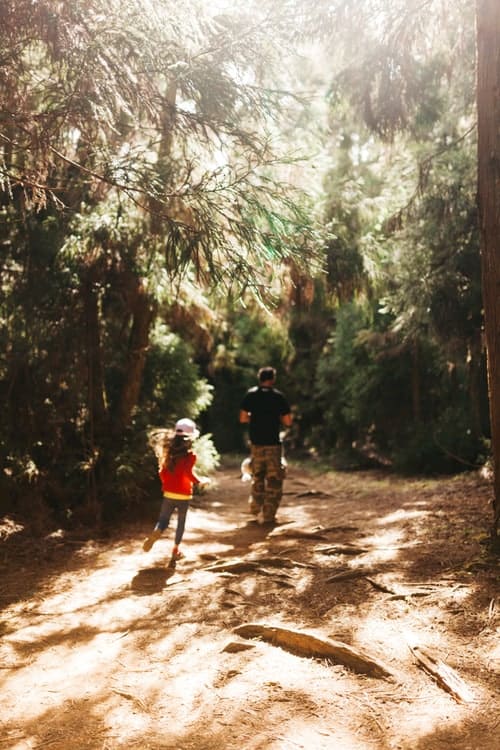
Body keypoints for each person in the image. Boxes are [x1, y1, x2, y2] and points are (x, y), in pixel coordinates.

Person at [143, 418, 207, 561]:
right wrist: (200, 482)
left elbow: (162, 472)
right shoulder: (190, 456)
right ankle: (175, 550)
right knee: (181, 523)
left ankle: (157, 531)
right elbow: (188, 473)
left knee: (163, 520)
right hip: (183, 495)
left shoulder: (168, 454)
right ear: (190, 439)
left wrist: (167, 485)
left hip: (169, 493)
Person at [239, 366, 292, 525]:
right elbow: (288, 421)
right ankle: (268, 516)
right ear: (273, 379)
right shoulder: (278, 397)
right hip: (273, 445)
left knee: (258, 476)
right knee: (274, 480)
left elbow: (242, 418)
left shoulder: (251, 395)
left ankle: (255, 508)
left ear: (259, 378)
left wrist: (255, 419)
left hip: (256, 444)